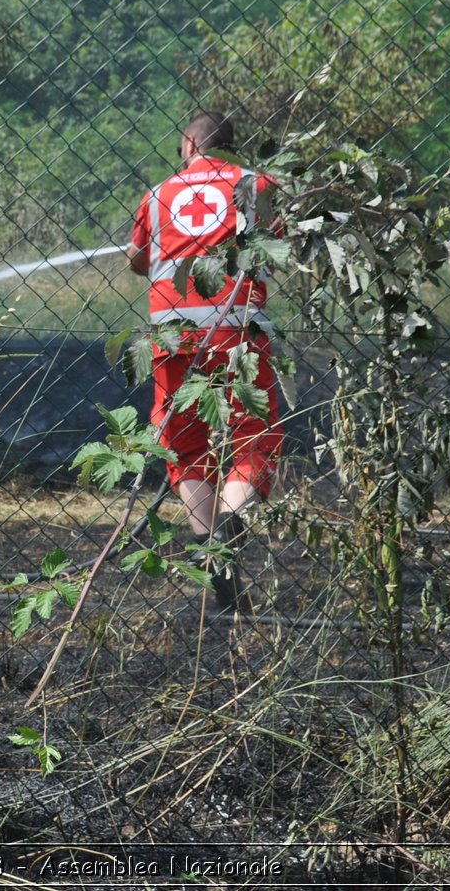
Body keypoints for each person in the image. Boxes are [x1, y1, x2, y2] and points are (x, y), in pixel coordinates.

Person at [126, 110, 284, 611]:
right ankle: (233, 523)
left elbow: (138, 261)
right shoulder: (256, 184)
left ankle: (210, 543)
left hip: (174, 333)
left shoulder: (156, 195)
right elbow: (277, 239)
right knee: (254, 433)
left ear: (190, 143)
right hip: (238, 327)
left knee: (184, 437)